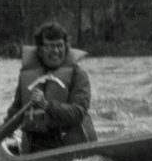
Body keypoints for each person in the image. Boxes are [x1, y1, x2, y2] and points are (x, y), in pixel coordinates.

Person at [6, 21, 97, 153]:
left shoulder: (78, 75)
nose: (56, 51)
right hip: (36, 148)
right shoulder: (27, 76)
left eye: (59, 46)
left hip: (70, 146)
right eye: (50, 46)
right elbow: (15, 113)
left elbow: (78, 112)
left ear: (66, 47)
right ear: (40, 50)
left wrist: (47, 105)